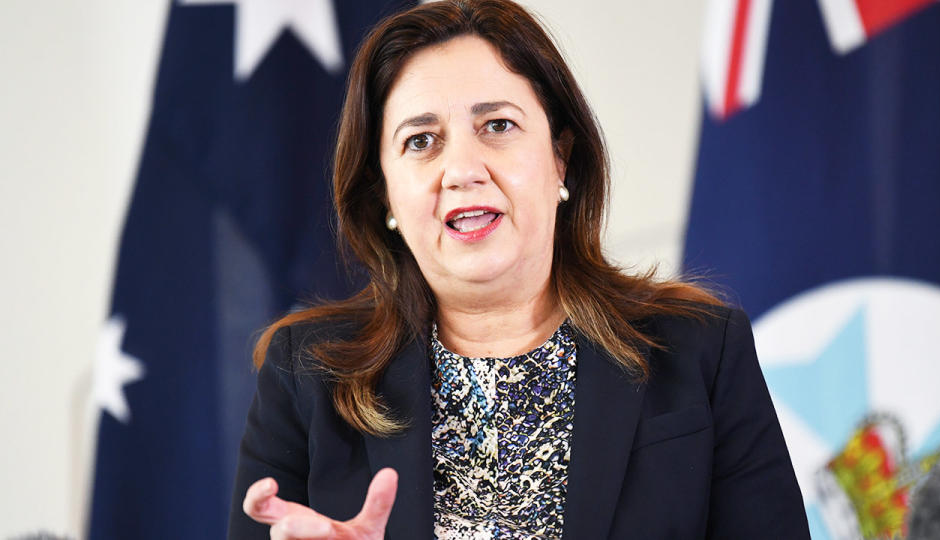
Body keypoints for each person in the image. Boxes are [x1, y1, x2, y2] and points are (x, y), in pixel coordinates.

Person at [227, 1, 810, 538]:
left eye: (497, 126)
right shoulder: (305, 376)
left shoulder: (700, 352)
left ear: (561, 157)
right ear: (384, 196)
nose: (462, 168)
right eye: (422, 140)